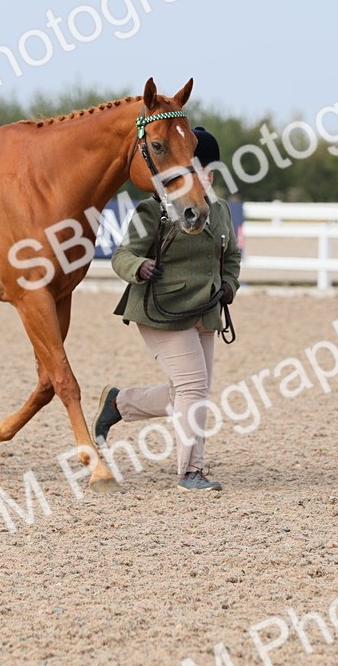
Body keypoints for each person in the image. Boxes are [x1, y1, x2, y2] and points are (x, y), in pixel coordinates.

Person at [94, 127, 241, 491]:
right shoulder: (152, 211)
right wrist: (138, 268)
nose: (201, 178)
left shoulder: (219, 210)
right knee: (193, 387)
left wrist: (229, 285)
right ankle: (190, 472)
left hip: (205, 311)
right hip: (162, 310)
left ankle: (119, 403)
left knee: (189, 391)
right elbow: (122, 255)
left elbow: (232, 256)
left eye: (206, 171)